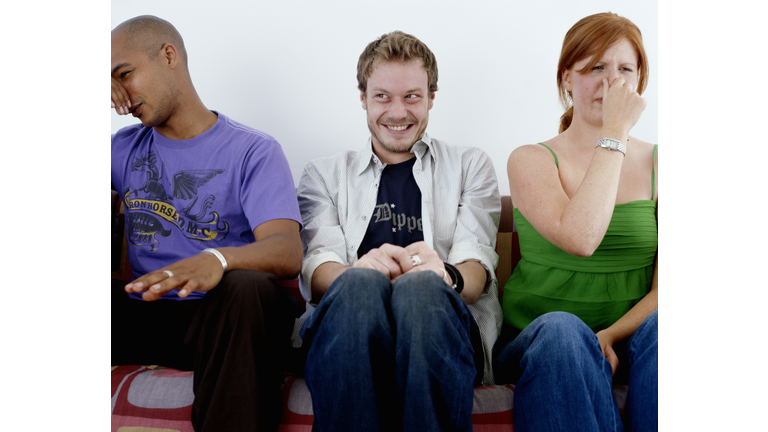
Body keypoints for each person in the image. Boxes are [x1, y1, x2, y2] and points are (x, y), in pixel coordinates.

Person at [295, 30, 502, 432]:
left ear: (431, 99)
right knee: (356, 286)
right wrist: (361, 273)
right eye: (382, 96)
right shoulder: (323, 175)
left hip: (440, 331)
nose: (398, 111)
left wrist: (444, 273)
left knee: (421, 289)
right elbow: (318, 272)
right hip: (349, 330)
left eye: (412, 96)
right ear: (363, 99)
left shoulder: (470, 166)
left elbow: (476, 270)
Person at [110, 15, 303, 432]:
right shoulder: (122, 149)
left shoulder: (253, 150)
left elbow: (287, 250)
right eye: (110, 83)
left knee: (246, 285)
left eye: (125, 74)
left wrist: (218, 259)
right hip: (146, 314)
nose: (120, 96)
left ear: (168, 56)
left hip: (222, 321)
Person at [493, 12, 658, 432]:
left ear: (639, 82)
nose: (611, 82)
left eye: (625, 69)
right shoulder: (530, 159)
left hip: (630, 341)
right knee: (564, 331)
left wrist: (611, 335)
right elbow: (581, 237)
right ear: (567, 78)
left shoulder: (664, 165)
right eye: (596, 68)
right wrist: (616, 133)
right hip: (544, 342)